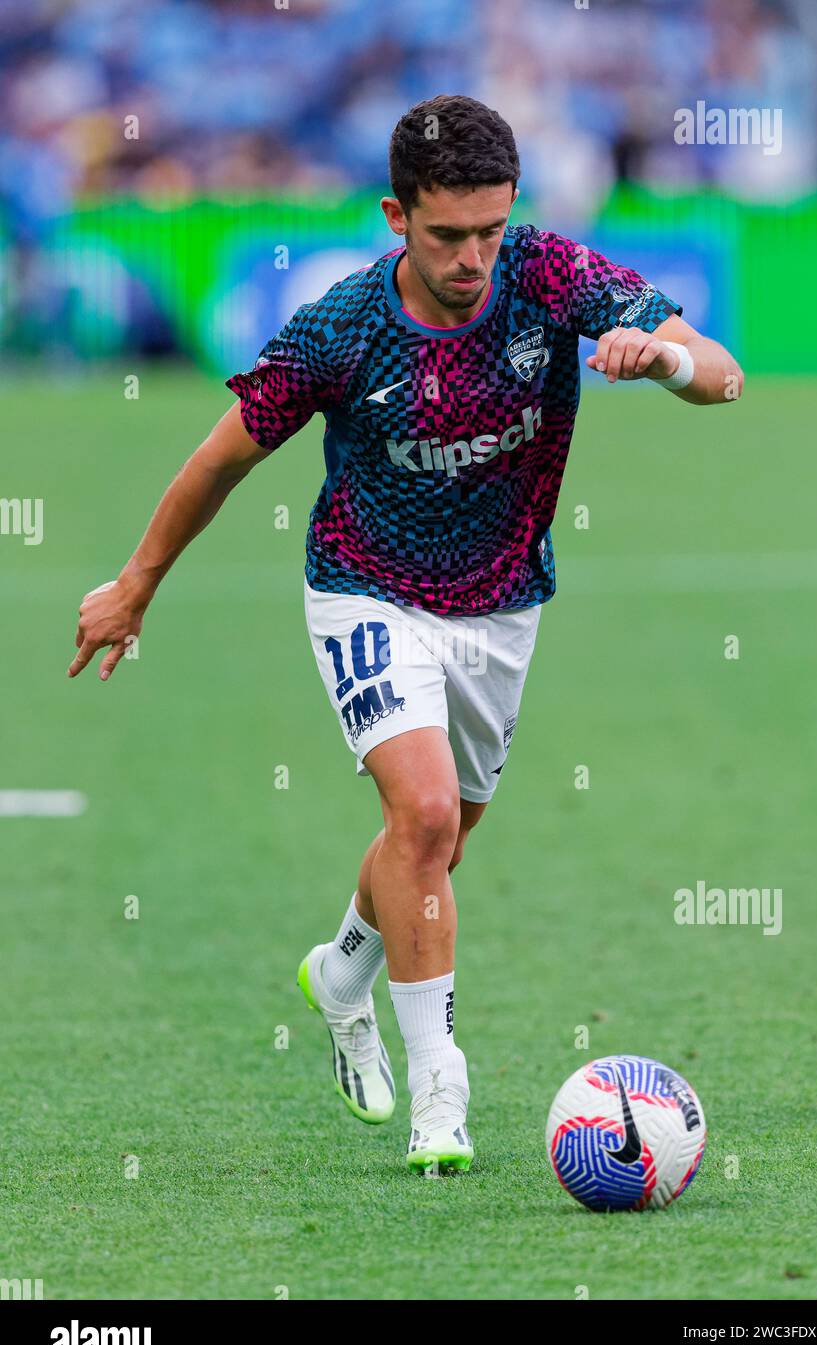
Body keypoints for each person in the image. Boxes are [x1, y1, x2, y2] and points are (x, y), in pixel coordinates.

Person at [69, 93, 743, 1174]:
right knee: (422, 812)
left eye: (489, 229)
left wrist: (657, 358)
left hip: (501, 603)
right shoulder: (337, 330)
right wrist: (135, 583)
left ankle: (342, 972)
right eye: (445, 236)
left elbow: (721, 374)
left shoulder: (551, 276)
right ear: (395, 216)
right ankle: (440, 1090)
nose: (473, 258)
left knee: (437, 844)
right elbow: (219, 460)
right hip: (365, 590)